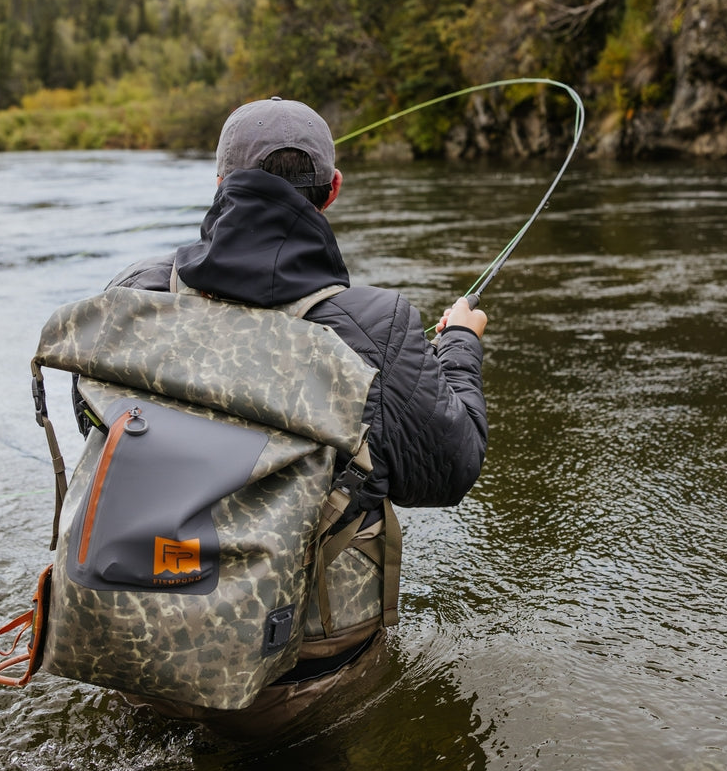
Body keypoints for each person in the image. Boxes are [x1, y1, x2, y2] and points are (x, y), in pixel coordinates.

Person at [108, 96, 488, 734]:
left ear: (221, 185)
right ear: (331, 191)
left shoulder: (136, 294)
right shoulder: (376, 328)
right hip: (298, 680)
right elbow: (449, 471)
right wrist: (459, 347)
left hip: (145, 647)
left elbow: (100, 427)